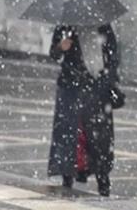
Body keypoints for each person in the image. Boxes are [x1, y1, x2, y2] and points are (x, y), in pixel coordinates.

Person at [47, 23, 118, 196]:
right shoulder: (65, 28)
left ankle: (103, 180)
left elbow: (113, 57)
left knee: (99, 138)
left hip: (96, 91)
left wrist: (106, 79)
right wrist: (61, 47)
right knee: (70, 134)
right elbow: (54, 54)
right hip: (71, 90)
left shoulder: (103, 27)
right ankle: (68, 176)